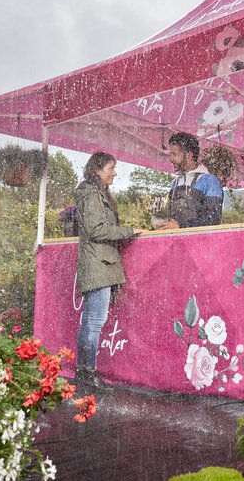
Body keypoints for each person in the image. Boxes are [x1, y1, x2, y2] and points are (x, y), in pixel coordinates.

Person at [74, 152, 144, 391]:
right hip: (98, 264)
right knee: (94, 321)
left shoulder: (94, 194)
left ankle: (83, 371)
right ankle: (88, 373)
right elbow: (97, 230)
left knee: (90, 321)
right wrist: (129, 231)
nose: (114, 172)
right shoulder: (92, 195)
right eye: (111, 168)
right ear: (97, 170)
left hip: (98, 263)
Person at [153, 132, 224, 229]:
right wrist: (162, 222)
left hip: (198, 241)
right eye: (170, 154)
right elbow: (171, 215)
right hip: (176, 240)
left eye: (174, 154)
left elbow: (213, 219)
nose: (170, 159)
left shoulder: (210, 181)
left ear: (189, 155)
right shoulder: (176, 182)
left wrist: (181, 226)